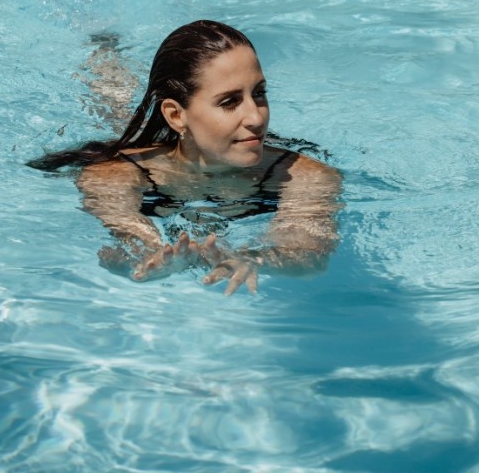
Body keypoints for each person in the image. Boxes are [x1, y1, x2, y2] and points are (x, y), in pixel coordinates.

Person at [29, 20, 342, 295]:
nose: (256, 118)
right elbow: (132, 239)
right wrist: (146, 257)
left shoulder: (303, 176)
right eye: (230, 101)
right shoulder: (115, 175)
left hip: (191, 141)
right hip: (158, 147)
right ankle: (103, 47)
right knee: (117, 111)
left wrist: (255, 257)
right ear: (176, 116)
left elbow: (309, 254)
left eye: (259, 93)